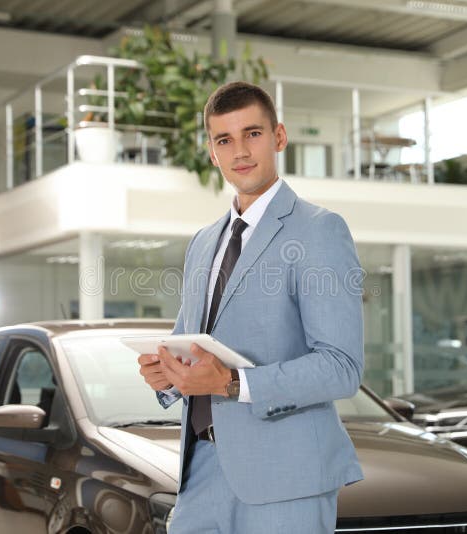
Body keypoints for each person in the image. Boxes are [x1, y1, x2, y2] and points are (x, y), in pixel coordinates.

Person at [137, 81, 364, 534]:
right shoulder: (204, 243)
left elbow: (342, 367)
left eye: (252, 134)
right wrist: (168, 374)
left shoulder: (319, 230)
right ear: (211, 152)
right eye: (225, 140)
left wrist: (232, 383)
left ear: (279, 137)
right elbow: (190, 343)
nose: (240, 150)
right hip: (200, 470)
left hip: (286, 479)